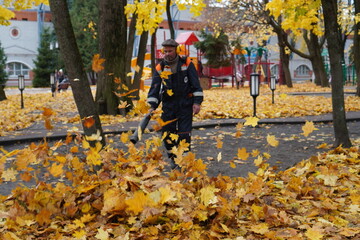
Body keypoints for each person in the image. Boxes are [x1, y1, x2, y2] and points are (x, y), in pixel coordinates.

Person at [147, 39, 204, 169]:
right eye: (165, 51)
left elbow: (195, 84)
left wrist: (197, 102)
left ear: (177, 50)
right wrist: (151, 106)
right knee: (167, 133)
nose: (167, 54)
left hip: (185, 104)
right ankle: (173, 159)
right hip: (168, 106)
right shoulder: (160, 68)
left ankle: (183, 161)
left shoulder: (187, 64)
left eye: (170, 51)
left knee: (184, 134)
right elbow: (154, 89)